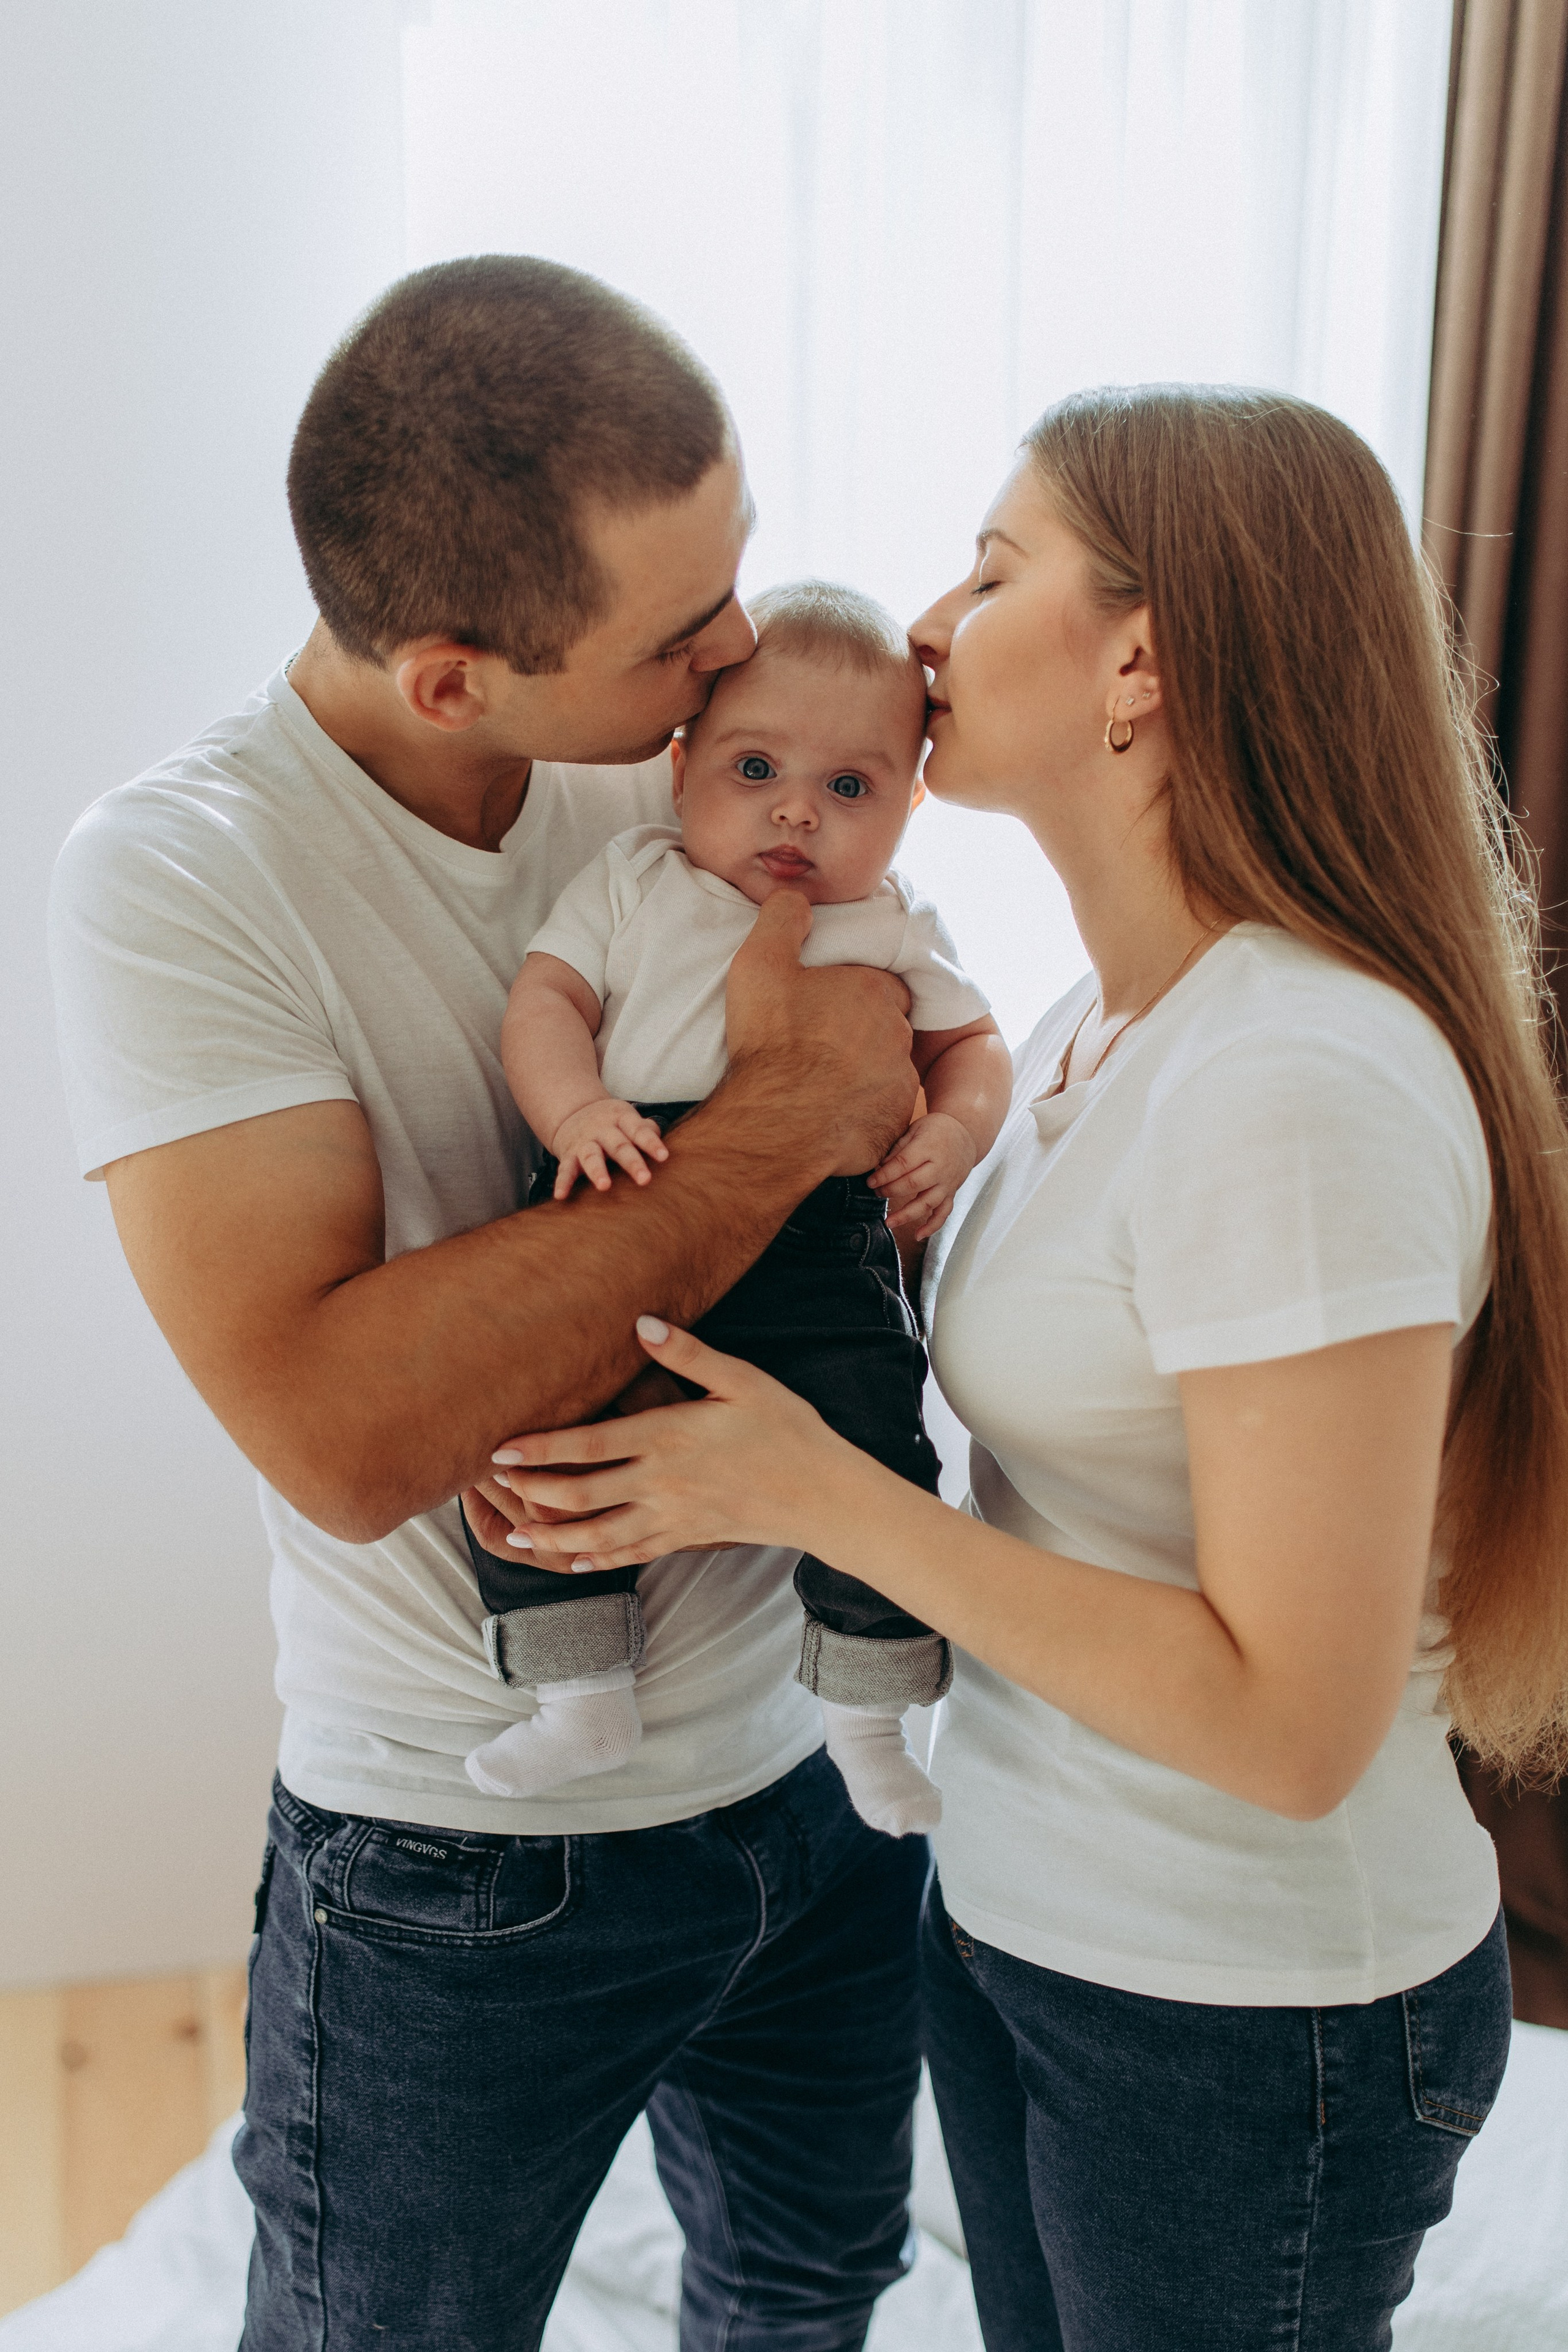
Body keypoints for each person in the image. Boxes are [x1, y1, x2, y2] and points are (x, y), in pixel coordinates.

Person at [483, 385, 1568, 2350]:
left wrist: (818, 1496)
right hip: (1021, 1927)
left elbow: (1289, 1727)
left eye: (992, 570)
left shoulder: (1299, 1079)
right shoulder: (1100, 1022)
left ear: (1140, 661)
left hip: (1244, 2011)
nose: (921, 626)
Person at [47, 256, 935, 2352]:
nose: (741, 664)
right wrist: (764, 1140)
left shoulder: (704, 762)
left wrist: (922, 1130)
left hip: (814, 1772)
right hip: (469, 1855)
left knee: (815, 2285)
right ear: (453, 677)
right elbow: (349, 1436)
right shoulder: (184, 877)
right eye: (680, 639)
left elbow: (886, 1045)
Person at [464, 578, 1009, 1828]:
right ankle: (576, 1689)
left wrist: (951, 1131)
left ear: (909, 803)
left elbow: (971, 1047)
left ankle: (865, 1718)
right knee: (531, 1434)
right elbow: (544, 1005)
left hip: (821, 1236)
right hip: (622, 1185)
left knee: (876, 1440)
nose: (793, 812)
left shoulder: (891, 921)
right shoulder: (632, 880)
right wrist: (572, 1114)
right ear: (680, 765)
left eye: (850, 789)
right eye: (754, 766)